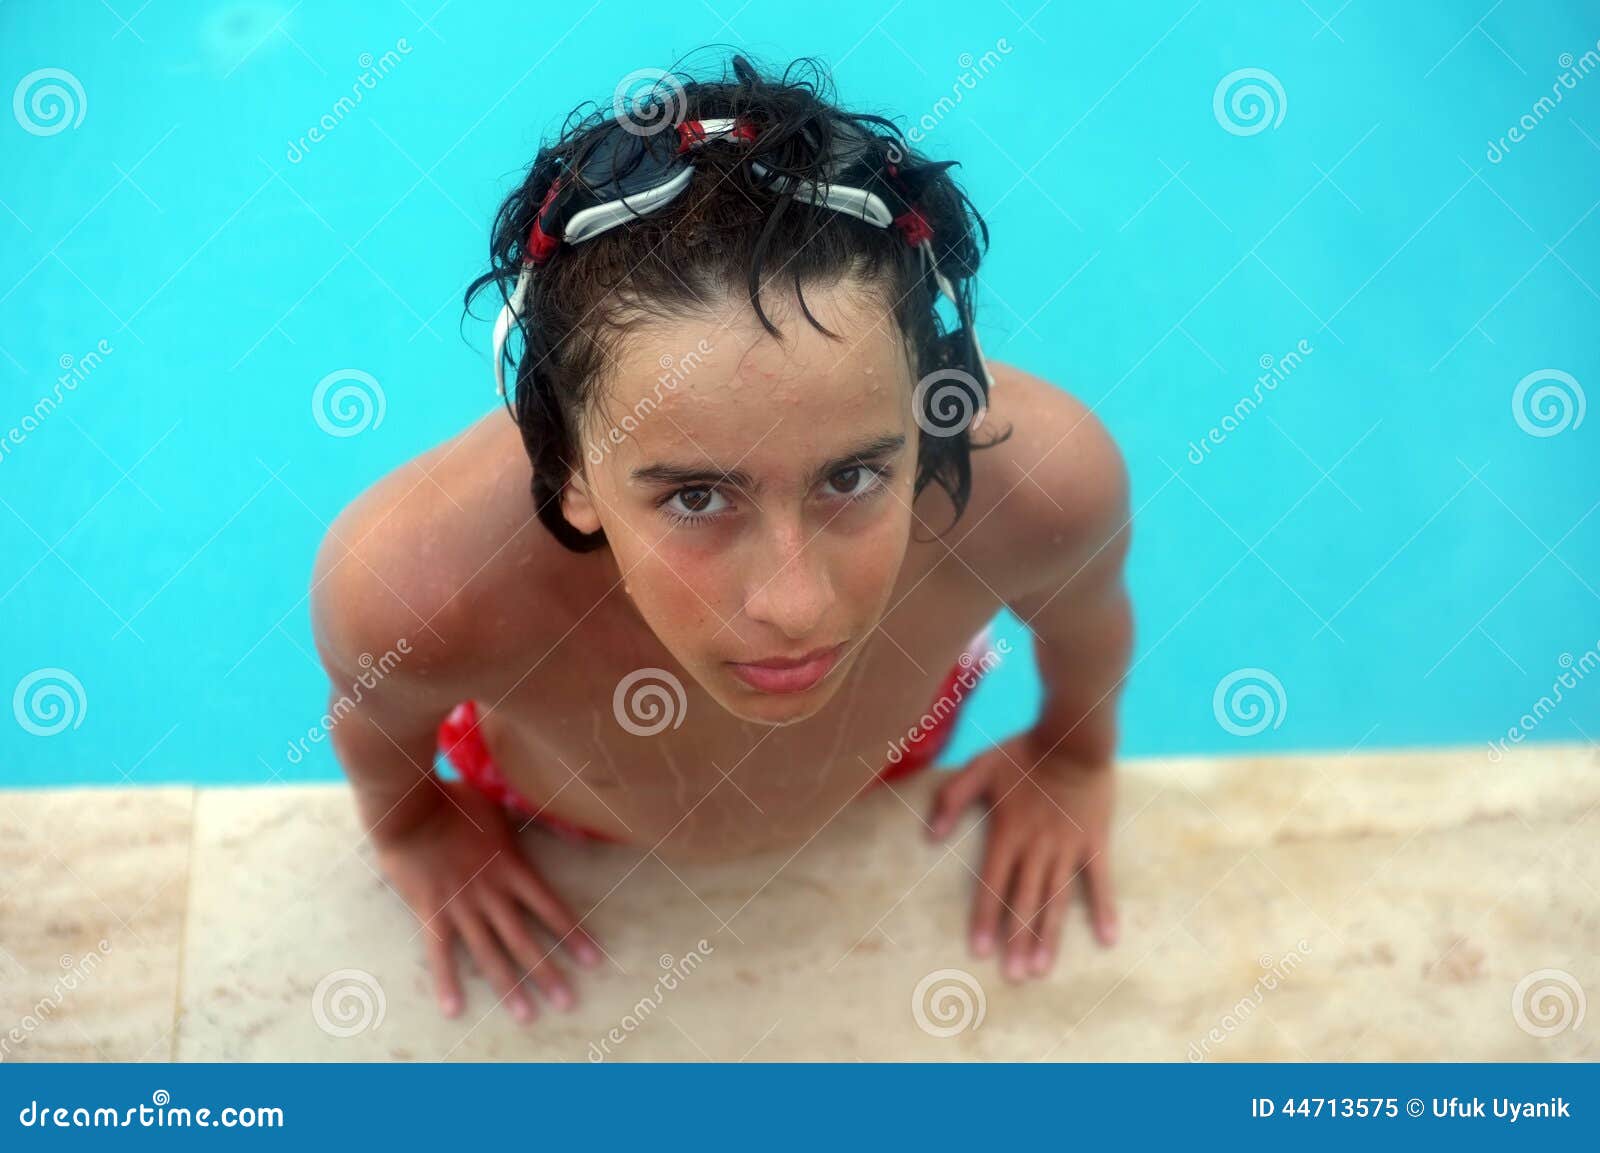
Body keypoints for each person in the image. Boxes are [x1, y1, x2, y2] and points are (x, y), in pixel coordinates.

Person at [310, 53, 1133, 1027]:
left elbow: (1084, 619)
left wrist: (1074, 756)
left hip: (892, 752)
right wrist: (409, 826)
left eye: (854, 476)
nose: (793, 607)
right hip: (552, 799)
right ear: (567, 465)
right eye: (698, 497)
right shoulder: (421, 587)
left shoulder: (1042, 490)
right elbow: (374, 719)